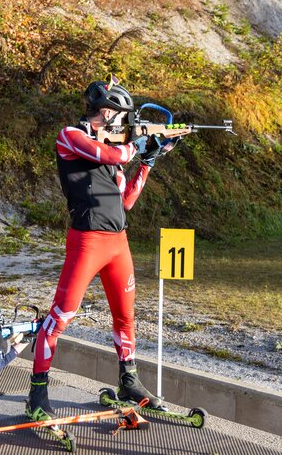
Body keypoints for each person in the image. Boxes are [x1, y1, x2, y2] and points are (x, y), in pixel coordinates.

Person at [25, 77, 176, 421]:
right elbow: (109, 151)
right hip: (87, 241)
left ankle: (129, 380)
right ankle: (37, 391)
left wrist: (149, 160)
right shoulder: (71, 136)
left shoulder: (115, 156)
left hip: (117, 242)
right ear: (107, 113)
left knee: (125, 316)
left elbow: (126, 202)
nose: (125, 125)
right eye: (122, 118)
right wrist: (140, 144)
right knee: (60, 316)